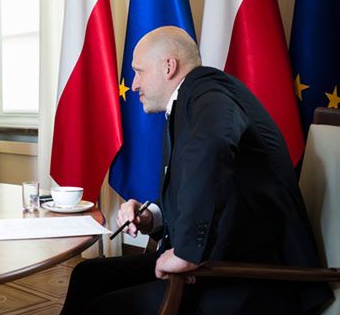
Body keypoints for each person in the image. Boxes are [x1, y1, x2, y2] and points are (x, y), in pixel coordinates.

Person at [61, 26, 332, 314]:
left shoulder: (208, 90)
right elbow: (212, 191)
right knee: (88, 275)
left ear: (168, 66)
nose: (135, 84)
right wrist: (150, 217)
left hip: (248, 275)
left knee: (106, 308)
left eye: (139, 71)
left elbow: (214, 146)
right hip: (216, 258)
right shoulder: (188, 103)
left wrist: (187, 252)